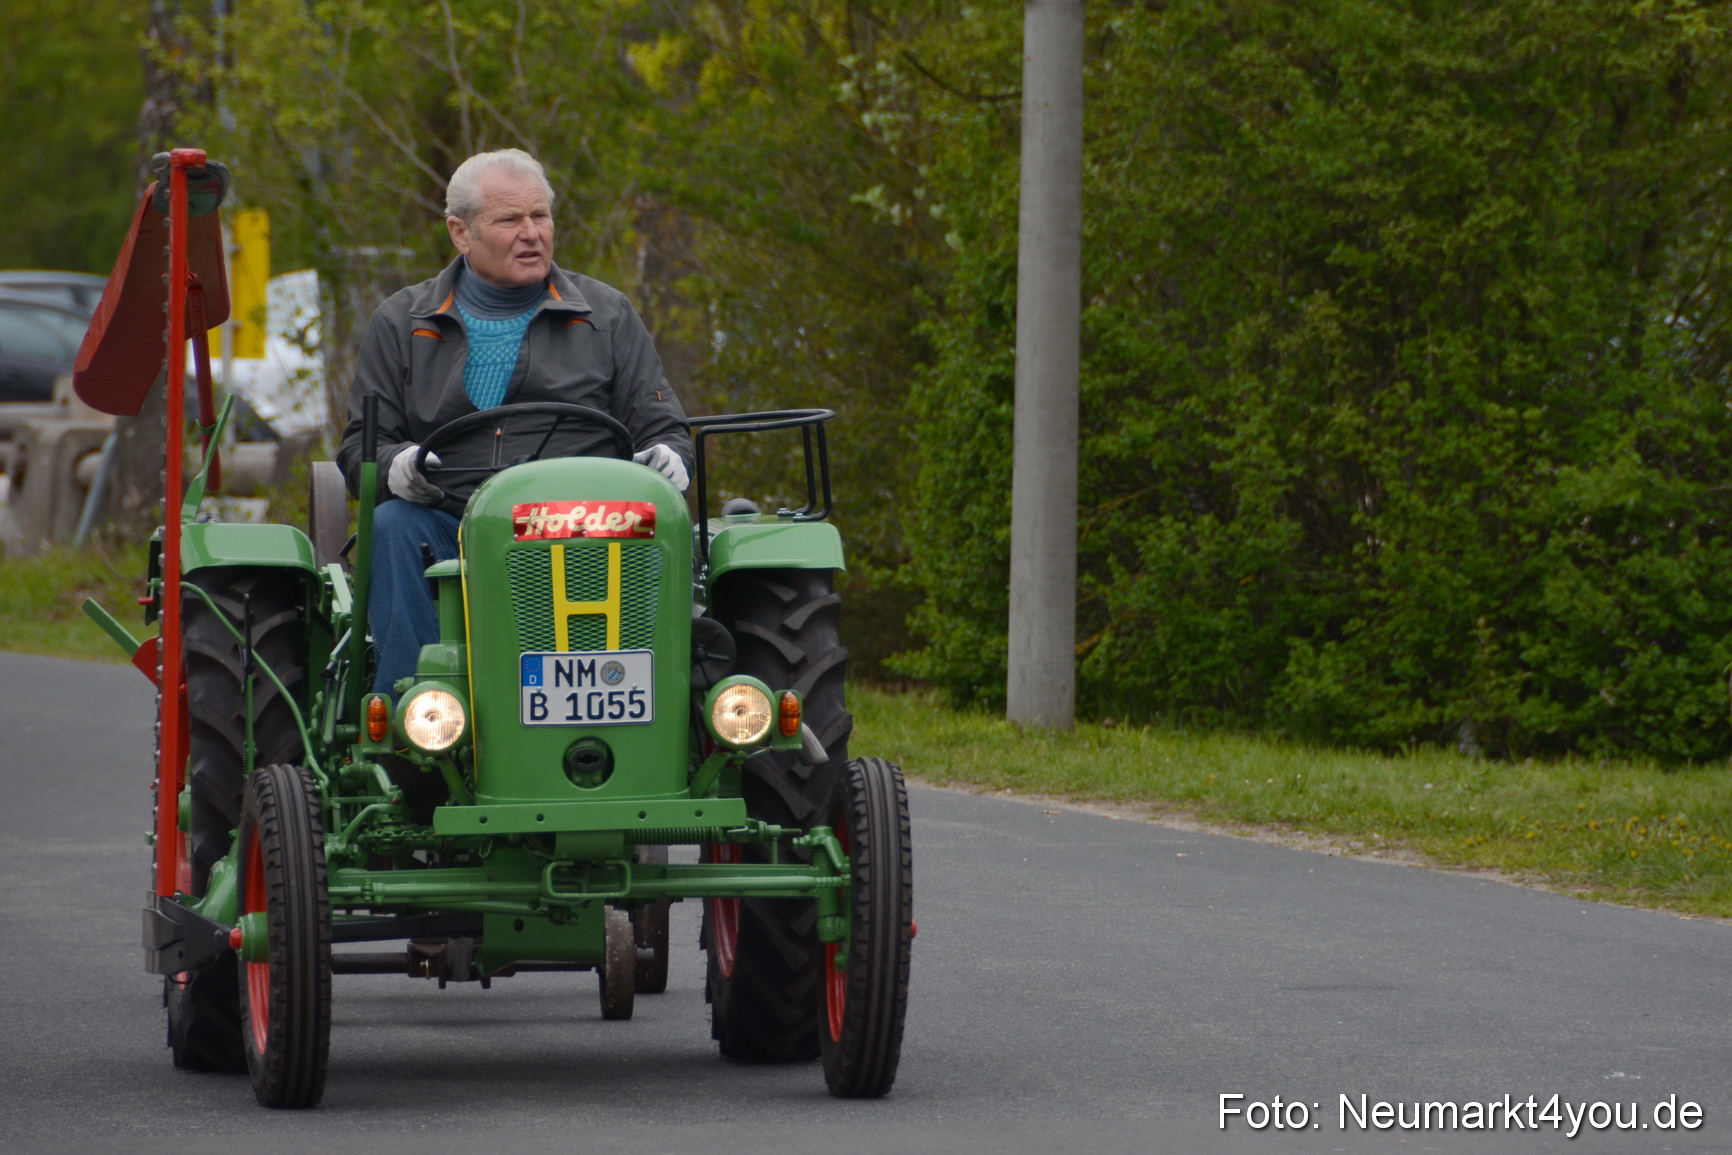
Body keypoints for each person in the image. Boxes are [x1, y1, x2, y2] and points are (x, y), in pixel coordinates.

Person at [338, 149, 694, 694]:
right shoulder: (401, 322)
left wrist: (670, 456)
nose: (532, 233)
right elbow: (362, 446)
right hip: (452, 522)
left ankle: (666, 701)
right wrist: (396, 465)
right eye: (509, 220)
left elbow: (663, 427)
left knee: (666, 530)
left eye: (541, 216)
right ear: (461, 232)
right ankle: (416, 720)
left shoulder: (608, 314)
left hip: (588, 522)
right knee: (392, 526)